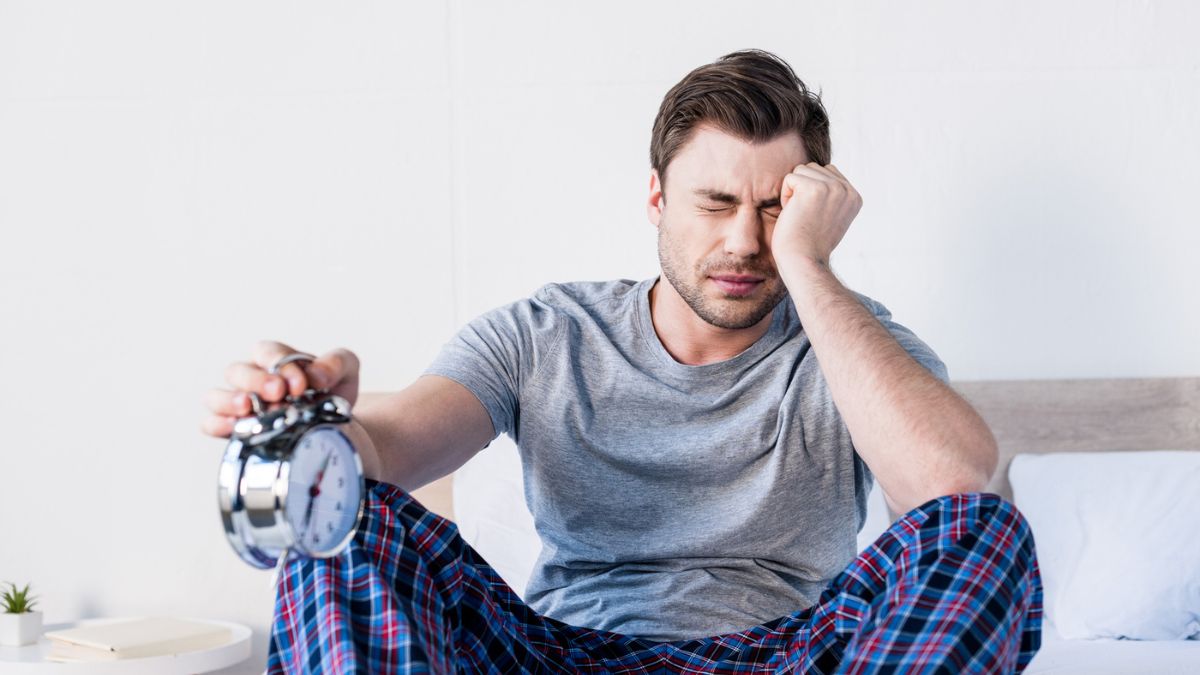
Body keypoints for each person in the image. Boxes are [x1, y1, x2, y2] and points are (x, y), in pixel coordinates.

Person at [203, 49, 1042, 674]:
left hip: (788, 655)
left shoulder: (854, 342)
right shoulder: (546, 332)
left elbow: (954, 489)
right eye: (714, 203)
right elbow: (382, 454)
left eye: (773, 211)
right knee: (339, 520)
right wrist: (305, 415)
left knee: (986, 527)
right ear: (656, 199)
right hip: (554, 652)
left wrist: (813, 272)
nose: (743, 242)